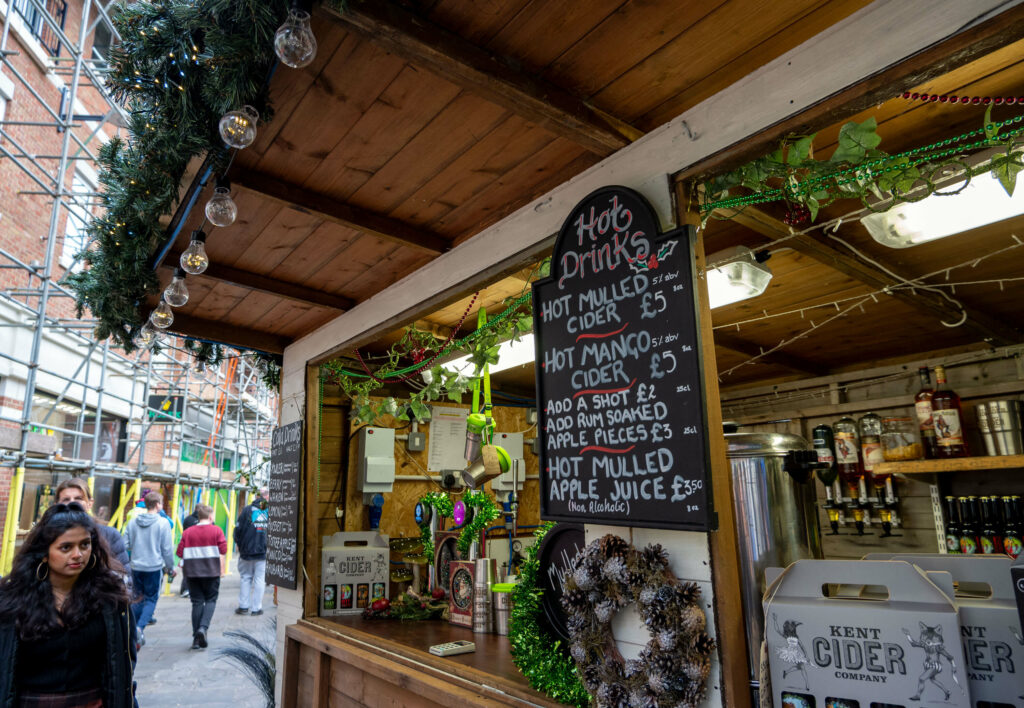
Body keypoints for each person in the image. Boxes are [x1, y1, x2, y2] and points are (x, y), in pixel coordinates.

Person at [0, 502, 136, 707]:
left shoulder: (109, 599)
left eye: (84, 544)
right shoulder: (13, 600)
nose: (77, 555)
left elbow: (123, 663)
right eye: (66, 547)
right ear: (44, 553)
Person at [122, 492, 174, 645]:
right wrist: (170, 567)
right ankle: (139, 628)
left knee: (137, 597)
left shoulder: (132, 522)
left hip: (135, 566)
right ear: (157, 504)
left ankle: (132, 630)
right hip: (153, 567)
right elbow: (167, 549)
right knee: (151, 599)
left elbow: (125, 545)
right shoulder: (163, 523)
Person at [176, 504, 226, 650]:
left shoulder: (188, 532)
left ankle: (196, 640)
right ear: (210, 517)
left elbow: (180, 552)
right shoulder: (216, 530)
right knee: (211, 600)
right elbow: (223, 549)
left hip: (192, 573)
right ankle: (203, 628)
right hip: (211, 572)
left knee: (197, 602)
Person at [54, 478, 130, 573]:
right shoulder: (47, 534)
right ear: (56, 505)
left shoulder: (110, 535)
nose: (72, 503)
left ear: (90, 503)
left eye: (78, 498)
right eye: (66, 499)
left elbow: (124, 576)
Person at [234, 487, 269, 616]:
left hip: (246, 552)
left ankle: (243, 607)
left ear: (257, 497)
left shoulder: (247, 510)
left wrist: (240, 545)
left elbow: (237, 530)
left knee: (245, 578)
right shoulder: (270, 511)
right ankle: (256, 608)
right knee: (260, 579)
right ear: (267, 497)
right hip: (263, 552)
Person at [178, 508, 200, 598]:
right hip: (199, 550)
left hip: (188, 548)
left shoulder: (187, 519)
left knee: (187, 571)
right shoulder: (205, 522)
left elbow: (184, 532)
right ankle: (192, 589)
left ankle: (185, 589)